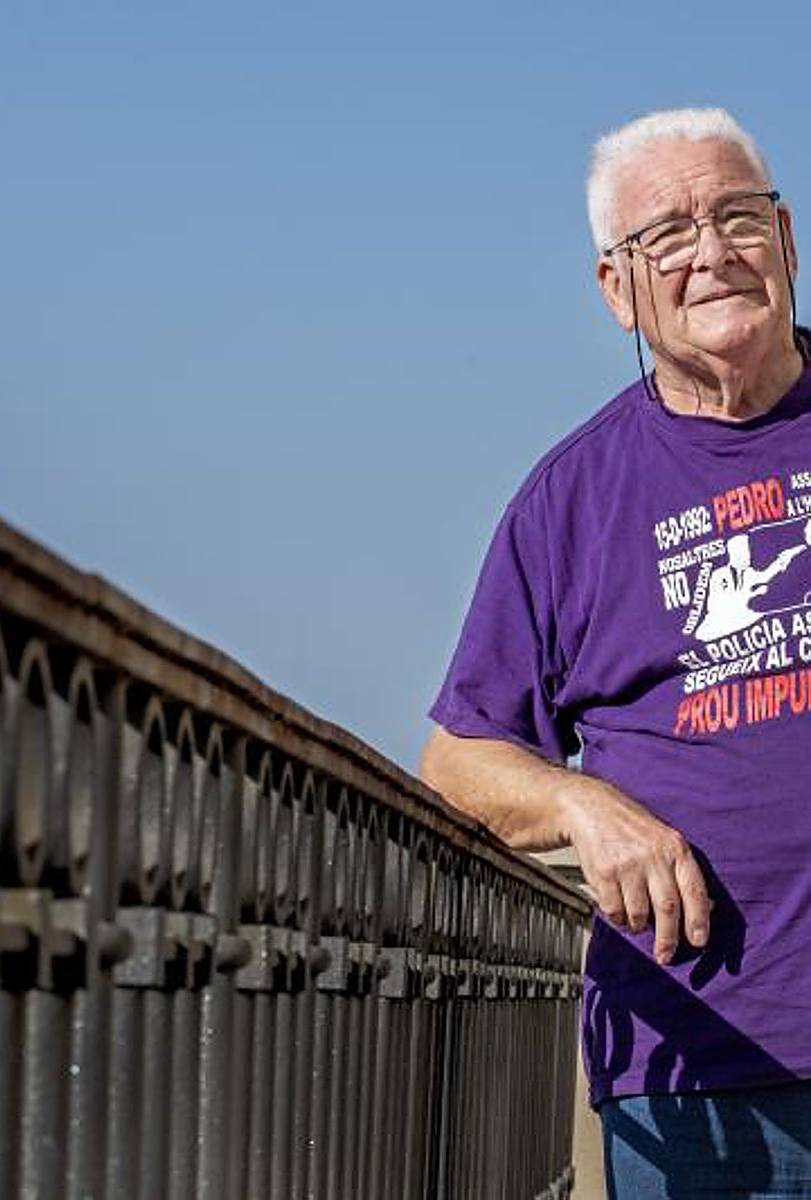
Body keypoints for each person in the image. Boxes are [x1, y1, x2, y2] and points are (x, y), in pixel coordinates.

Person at [419, 108, 811, 1197]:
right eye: (668, 236)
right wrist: (586, 808)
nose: (713, 253)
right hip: (698, 1065)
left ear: (785, 238)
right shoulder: (570, 501)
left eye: (738, 218)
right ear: (616, 289)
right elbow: (459, 758)